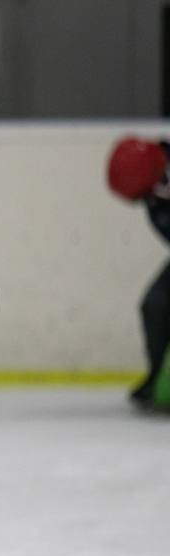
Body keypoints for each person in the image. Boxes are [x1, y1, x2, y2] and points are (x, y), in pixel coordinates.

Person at [106, 136, 170, 412]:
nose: (152, 199)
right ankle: (158, 376)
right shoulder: (157, 204)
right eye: (145, 197)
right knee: (156, 304)